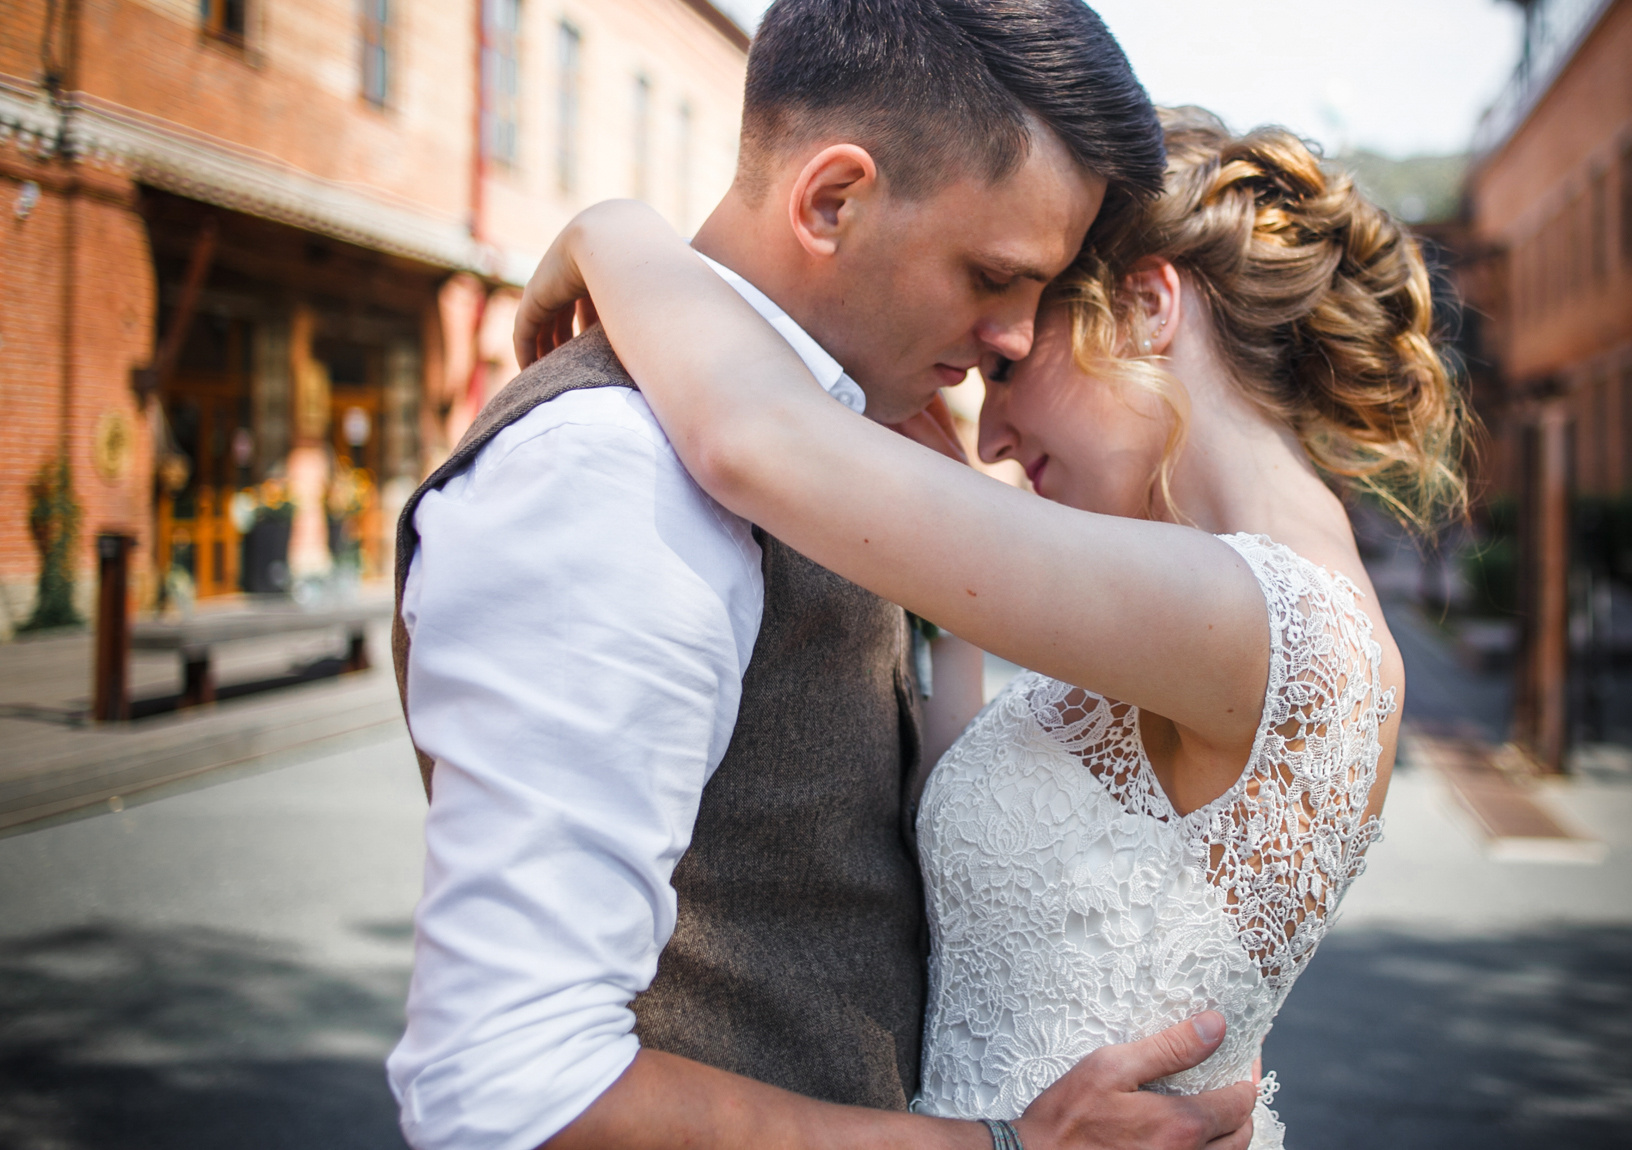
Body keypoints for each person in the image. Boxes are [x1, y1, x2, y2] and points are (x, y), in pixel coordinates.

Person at [388, 0, 1260, 1150]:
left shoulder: (856, 451)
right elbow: (507, 1085)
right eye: (990, 273)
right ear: (833, 197)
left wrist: (608, 227)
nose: (1014, 338)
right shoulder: (607, 469)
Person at [515, 106, 1467, 1147]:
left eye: (1011, 370)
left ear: (1149, 306)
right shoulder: (1235, 603)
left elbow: (750, 436)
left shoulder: (1252, 612)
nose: (997, 433)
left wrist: (613, 233)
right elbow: (1028, 866)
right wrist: (954, 627)